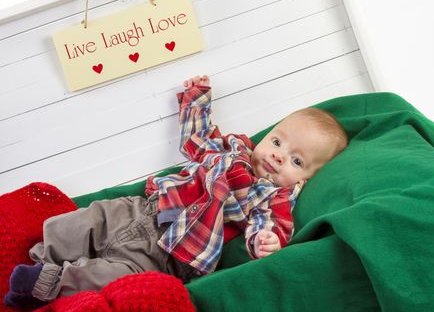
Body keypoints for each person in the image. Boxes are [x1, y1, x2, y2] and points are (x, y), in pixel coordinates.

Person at [4, 75, 348, 310]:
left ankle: (44, 284)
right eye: (277, 141)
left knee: (112, 277)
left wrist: (265, 241)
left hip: (167, 254)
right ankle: (41, 257)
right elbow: (195, 139)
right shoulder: (232, 149)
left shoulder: (271, 198)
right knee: (85, 221)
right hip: (142, 209)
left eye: (296, 160)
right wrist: (196, 99)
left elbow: (268, 225)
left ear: (304, 180)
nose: (277, 155)